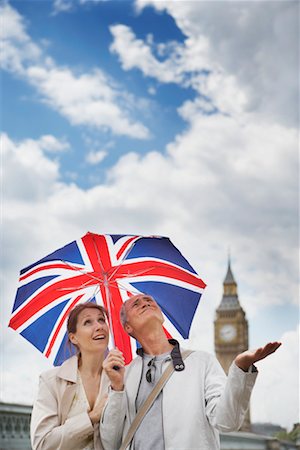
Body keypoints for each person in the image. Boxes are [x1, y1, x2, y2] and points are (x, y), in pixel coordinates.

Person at [101, 294, 281, 450]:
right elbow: (110, 441)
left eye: (149, 300)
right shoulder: (124, 375)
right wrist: (117, 389)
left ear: (161, 316)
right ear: (128, 327)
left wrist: (240, 369)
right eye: (136, 304)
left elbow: (227, 421)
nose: (145, 303)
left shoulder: (202, 362)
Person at [30, 302, 125, 450]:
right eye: (88, 322)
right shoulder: (51, 381)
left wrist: (118, 388)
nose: (99, 326)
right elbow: (43, 444)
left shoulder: (121, 378)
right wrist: (92, 417)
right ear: (73, 338)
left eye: (101, 320)